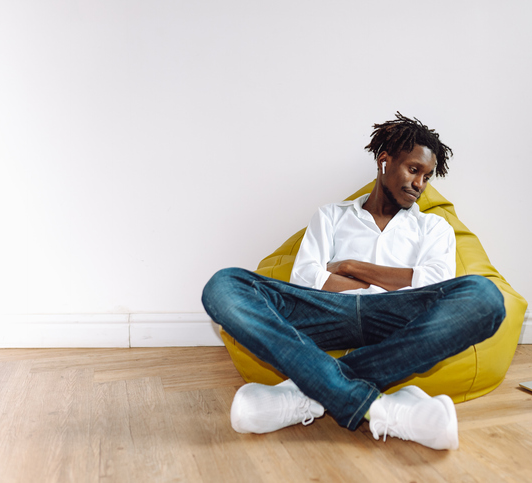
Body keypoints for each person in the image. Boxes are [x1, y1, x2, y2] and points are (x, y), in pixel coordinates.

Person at [202, 113, 506, 451]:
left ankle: (307, 392)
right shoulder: (331, 216)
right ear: (384, 162)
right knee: (224, 285)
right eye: (413, 170)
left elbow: (432, 284)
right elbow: (307, 278)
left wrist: (349, 266)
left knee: (486, 297)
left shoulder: (433, 228)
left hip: (398, 316)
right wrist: (393, 282)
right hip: (325, 312)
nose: (420, 184)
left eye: (427, 177)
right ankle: (379, 407)